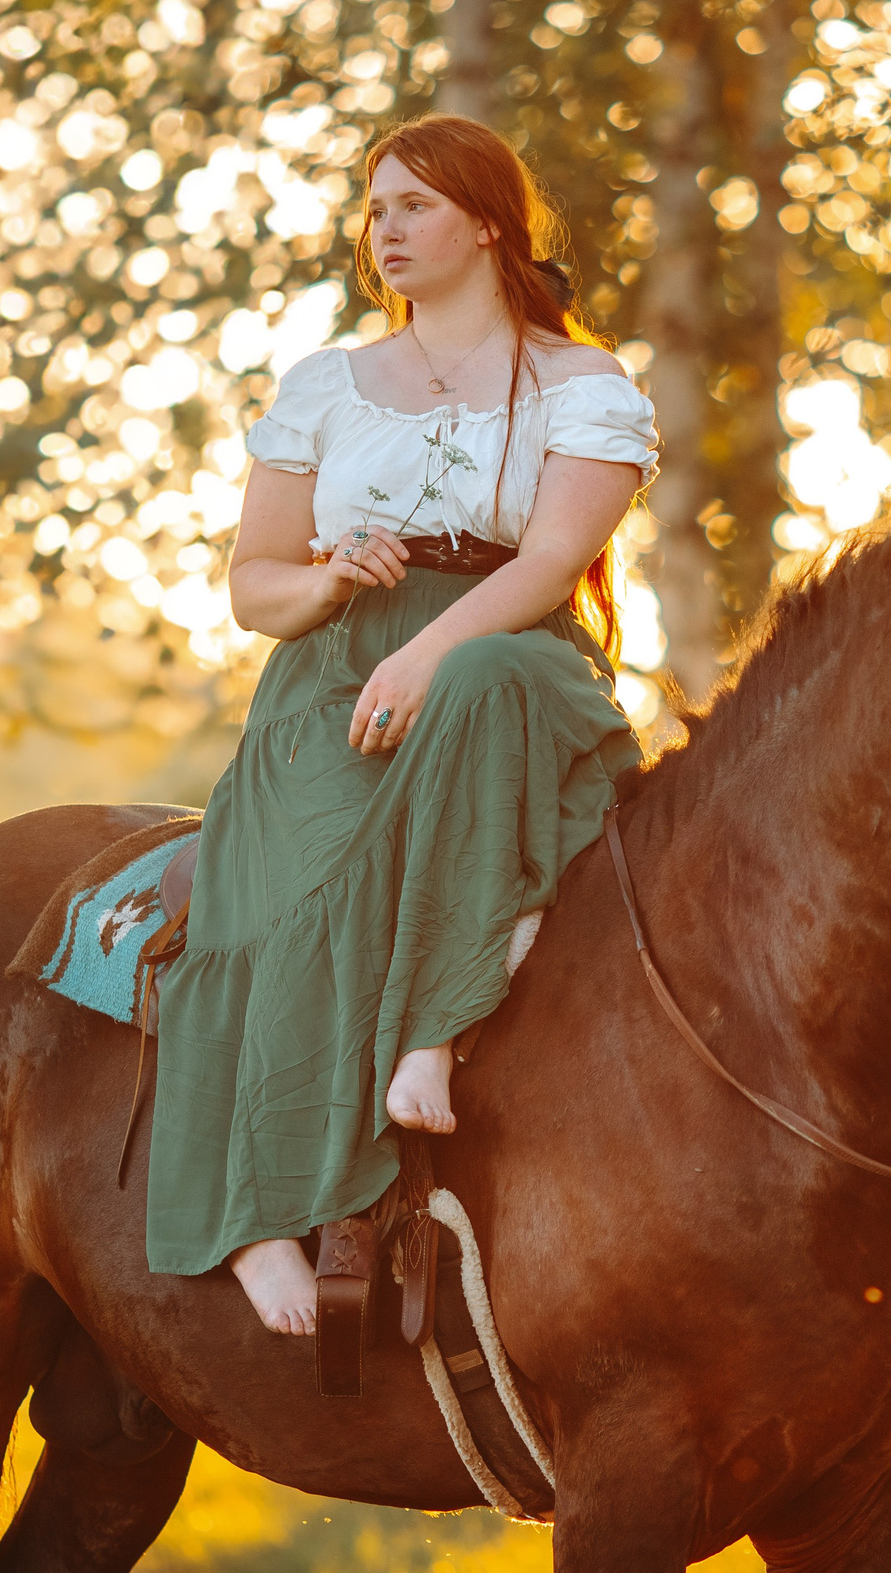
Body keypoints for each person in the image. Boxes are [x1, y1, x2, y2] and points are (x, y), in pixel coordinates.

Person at [144, 115, 657, 1335]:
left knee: (478, 689)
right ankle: (261, 1211)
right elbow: (252, 583)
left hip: (508, 660)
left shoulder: (583, 384)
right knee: (302, 867)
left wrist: (432, 649)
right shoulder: (325, 385)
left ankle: (431, 1034)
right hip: (336, 670)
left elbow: (549, 561)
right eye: (374, 209)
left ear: (488, 222)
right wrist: (328, 581)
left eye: (413, 205)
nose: (386, 230)